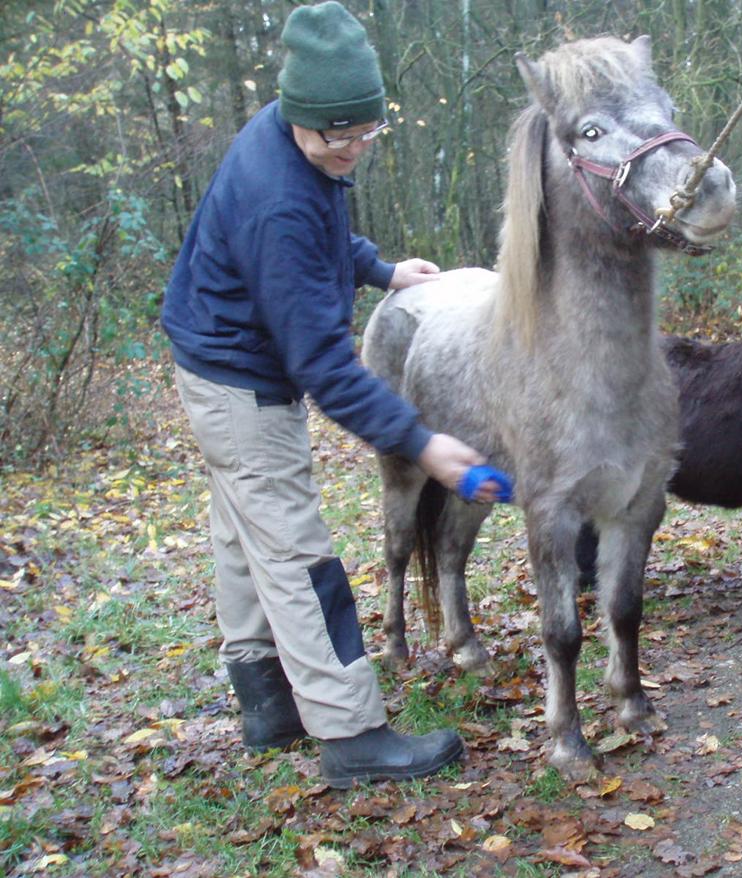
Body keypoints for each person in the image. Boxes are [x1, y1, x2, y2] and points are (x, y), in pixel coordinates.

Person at [162, 0, 503, 788]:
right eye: (335, 136)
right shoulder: (278, 197)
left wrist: (379, 269)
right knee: (297, 558)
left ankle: (267, 704)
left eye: (366, 132)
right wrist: (422, 442)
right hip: (240, 382)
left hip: (215, 358)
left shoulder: (291, 140)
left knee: (244, 537)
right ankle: (352, 734)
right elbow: (325, 365)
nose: (351, 149)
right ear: (300, 117)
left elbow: (320, 227)